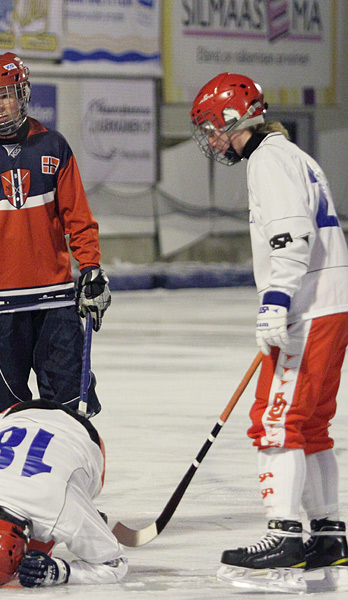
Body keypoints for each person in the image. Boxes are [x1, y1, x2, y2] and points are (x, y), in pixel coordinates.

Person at [190, 72, 348, 593]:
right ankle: (328, 534)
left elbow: (291, 234)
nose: (212, 140)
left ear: (236, 120)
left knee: (276, 422)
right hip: (332, 302)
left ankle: (284, 533)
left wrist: (276, 304)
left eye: (213, 128)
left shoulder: (268, 160)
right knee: (312, 423)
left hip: (308, 307)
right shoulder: (294, 155)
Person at [0, 52, 110, 429]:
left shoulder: (53, 146)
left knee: (70, 412)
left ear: (23, 94)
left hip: (56, 302)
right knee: (6, 418)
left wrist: (92, 268)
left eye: (6, 95)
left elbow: (77, 218)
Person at [0, 399, 127, 588]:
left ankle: (87, 520)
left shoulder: (61, 510)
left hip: (81, 436)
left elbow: (116, 563)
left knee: (34, 560)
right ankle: (87, 527)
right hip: (14, 414)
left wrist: (58, 572)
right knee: (36, 558)